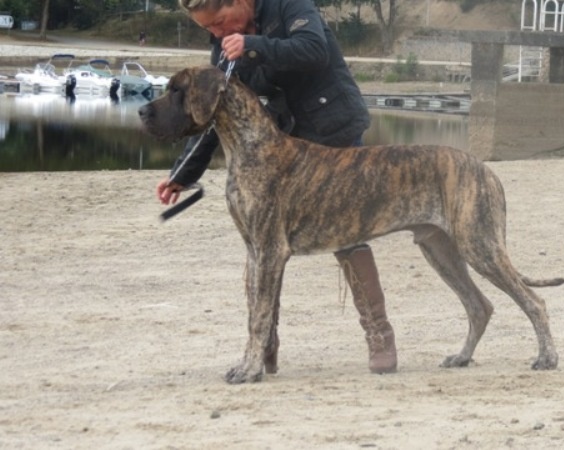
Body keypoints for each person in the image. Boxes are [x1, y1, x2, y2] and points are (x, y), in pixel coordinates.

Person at [157, 0, 397, 374]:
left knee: (349, 235)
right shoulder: (224, 44)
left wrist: (254, 45)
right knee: (262, 245)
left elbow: (315, 50)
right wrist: (183, 175)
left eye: (220, 22)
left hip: (333, 128)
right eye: (211, 31)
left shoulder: (288, 4)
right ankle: (264, 343)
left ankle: (379, 335)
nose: (218, 35)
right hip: (283, 143)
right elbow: (212, 112)